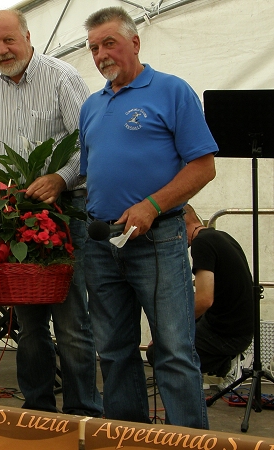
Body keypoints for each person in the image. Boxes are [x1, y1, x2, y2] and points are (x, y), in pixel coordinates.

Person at [0, 9, 103, 416]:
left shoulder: (62, 77)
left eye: (8, 40)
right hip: (12, 218)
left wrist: (61, 178)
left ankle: (84, 414)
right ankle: (37, 411)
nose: (2, 50)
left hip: (65, 211)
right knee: (28, 326)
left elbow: (92, 142)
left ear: (28, 37)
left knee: (71, 323)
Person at [80, 7, 218, 428]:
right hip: (103, 244)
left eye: (109, 43)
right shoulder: (91, 106)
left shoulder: (172, 91)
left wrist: (152, 205)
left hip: (158, 239)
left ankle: (189, 441)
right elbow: (90, 174)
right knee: (113, 350)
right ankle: (127, 436)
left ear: (134, 43)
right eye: (93, 48)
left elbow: (203, 166)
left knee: (173, 351)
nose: (101, 54)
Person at [146, 205, 254, 385]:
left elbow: (204, 300)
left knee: (157, 352)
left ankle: (222, 365)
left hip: (227, 334)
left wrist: (169, 330)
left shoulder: (201, 244)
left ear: (179, 223)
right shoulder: (221, 236)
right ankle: (221, 363)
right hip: (241, 327)